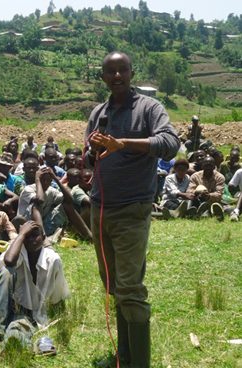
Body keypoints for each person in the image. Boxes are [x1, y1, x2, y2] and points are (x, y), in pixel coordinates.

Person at [84, 51, 180, 367]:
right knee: (112, 285)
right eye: (110, 71)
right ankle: (123, 355)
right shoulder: (98, 113)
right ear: (103, 77)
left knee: (130, 289)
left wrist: (123, 143)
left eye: (122, 70)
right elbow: (88, 160)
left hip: (131, 209)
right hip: (100, 210)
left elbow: (170, 143)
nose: (116, 76)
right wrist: (94, 149)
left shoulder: (149, 108)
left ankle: (138, 363)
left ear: (131, 73)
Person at [0, 221, 69, 344]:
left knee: (17, 328)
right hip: (2, 305)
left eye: (35, 235)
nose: (31, 239)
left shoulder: (53, 259)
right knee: (6, 272)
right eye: (26, 236)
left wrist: (62, 317)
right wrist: (21, 235)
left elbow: (57, 297)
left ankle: (13, 343)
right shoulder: (16, 251)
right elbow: (8, 261)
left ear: (44, 238)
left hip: (24, 312)